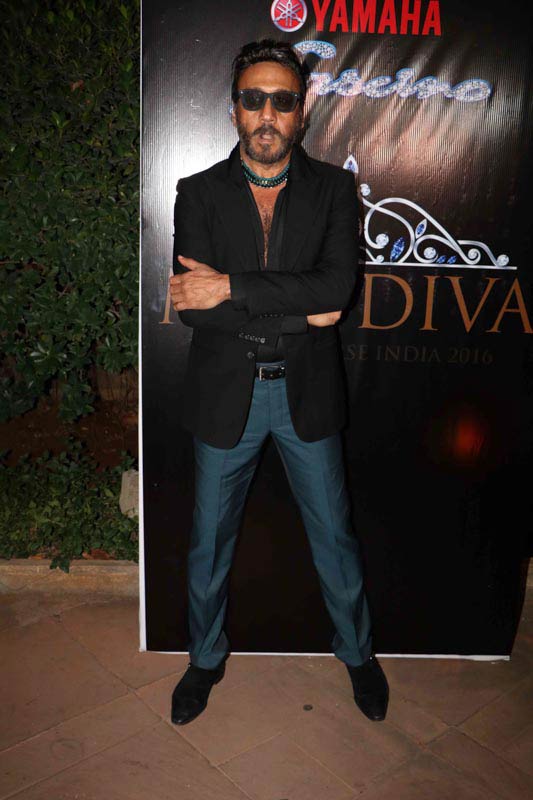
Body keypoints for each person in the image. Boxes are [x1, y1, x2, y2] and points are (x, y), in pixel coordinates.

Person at [168, 39, 388, 725]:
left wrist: (233, 288)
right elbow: (193, 308)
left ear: (302, 110)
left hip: (305, 394)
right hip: (224, 395)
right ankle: (204, 659)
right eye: (253, 98)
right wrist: (300, 312)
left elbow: (335, 291)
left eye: (282, 100)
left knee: (335, 538)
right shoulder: (197, 192)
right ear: (234, 108)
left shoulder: (334, 191)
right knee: (208, 544)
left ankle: (357, 654)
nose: (267, 113)